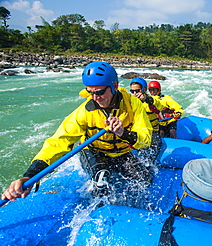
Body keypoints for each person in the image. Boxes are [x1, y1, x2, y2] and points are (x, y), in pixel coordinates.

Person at [1, 61, 153, 202]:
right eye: (90, 92)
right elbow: (59, 142)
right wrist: (29, 175)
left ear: (114, 85)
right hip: (94, 151)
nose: (95, 98)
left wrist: (122, 132)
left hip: (120, 152)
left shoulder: (133, 105)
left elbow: (145, 138)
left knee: (146, 179)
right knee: (102, 181)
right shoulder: (85, 111)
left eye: (99, 92)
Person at [130, 77, 164, 165]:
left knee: (156, 144)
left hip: (152, 131)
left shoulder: (151, 99)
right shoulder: (130, 101)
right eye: (132, 91)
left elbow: (158, 104)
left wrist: (146, 99)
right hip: (138, 131)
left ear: (144, 89)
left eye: (137, 91)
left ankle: (150, 164)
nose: (134, 93)